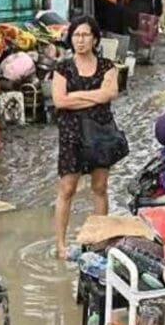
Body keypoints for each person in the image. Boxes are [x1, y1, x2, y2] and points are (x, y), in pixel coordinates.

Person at [52, 15, 122, 259]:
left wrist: (77, 97)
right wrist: (94, 94)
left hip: (100, 133)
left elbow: (110, 93)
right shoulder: (63, 68)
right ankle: (60, 245)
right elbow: (59, 100)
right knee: (67, 188)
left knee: (100, 187)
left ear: (95, 38)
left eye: (85, 35)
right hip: (71, 135)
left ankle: (100, 241)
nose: (80, 40)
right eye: (76, 35)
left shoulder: (107, 66)